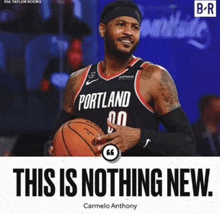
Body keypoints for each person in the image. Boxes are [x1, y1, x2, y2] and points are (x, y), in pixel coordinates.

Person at [45, 0, 196, 156]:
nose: (129, 32)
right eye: (121, 24)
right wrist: (53, 149)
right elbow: (52, 141)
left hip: (133, 178)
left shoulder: (152, 77)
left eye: (135, 27)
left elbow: (187, 143)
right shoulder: (78, 80)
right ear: (102, 29)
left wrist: (140, 137)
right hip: (90, 179)